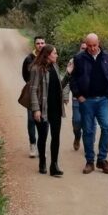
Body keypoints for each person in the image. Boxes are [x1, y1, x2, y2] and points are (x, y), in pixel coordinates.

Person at [69, 33, 108, 174]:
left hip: (103, 99)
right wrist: (78, 95)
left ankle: (102, 159)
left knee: (107, 126)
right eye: (89, 46)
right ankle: (90, 161)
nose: (92, 48)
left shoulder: (107, 56)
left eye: (94, 45)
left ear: (99, 43)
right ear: (86, 44)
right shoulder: (79, 58)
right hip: (87, 100)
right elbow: (73, 78)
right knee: (88, 131)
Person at [29, 44, 71, 176]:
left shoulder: (55, 67)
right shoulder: (37, 69)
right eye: (55, 53)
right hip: (42, 109)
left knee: (56, 136)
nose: (57, 55)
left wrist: (68, 73)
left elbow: (60, 86)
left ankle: (54, 165)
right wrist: (36, 109)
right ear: (47, 55)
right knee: (43, 136)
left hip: (56, 108)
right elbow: (33, 90)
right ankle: (42, 161)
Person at [22, 36, 46, 157]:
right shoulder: (28, 59)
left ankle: (42, 144)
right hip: (32, 93)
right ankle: (32, 143)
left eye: (42, 43)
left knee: (44, 120)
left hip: (45, 95)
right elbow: (25, 75)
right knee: (31, 119)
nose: (40, 45)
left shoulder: (48, 58)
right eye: (38, 43)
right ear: (34, 45)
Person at [65, 40, 87, 151]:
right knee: (77, 122)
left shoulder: (94, 60)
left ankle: (89, 146)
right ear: (79, 49)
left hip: (90, 99)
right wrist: (65, 95)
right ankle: (77, 137)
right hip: (76, 98)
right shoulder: (73, 61)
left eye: (86, 48)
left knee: (89, 124)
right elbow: (69, 79)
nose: (84, 50)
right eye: (82, 48)